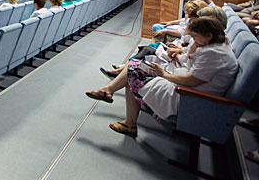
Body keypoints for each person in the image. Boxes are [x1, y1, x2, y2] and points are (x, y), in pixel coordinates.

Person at [88, 17, 238, 137]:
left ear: (209, 36)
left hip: (191, 98)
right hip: (191, 91)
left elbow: (191, 80)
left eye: (194, 37)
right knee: (136, 68)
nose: (193, 40)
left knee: (134, 72)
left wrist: (164, 74)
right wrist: (190, 50)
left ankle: (126, 119)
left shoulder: (213, 54)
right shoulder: (215, 47)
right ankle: (123, 114)